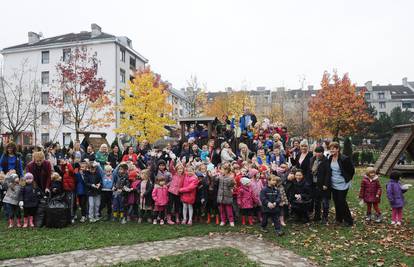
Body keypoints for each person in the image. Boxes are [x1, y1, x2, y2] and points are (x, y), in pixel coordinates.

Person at [328, 142, 355, 227]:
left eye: (334, 148)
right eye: (330, 148)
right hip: (333, 183)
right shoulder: (330, 158)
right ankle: (338, 219)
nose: (332, 150)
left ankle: (349, 220)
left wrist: (347, 178)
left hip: (343, 184)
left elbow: (351, 170)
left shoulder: (344, 158)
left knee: (342, 202)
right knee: (336, 201)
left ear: (338, 149)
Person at [310, 146, 330, 224]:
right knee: (317, 201)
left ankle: (325, 217)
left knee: (325, 202)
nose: (318, 154)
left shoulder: (326, 161)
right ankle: (317, 216)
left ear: (322, 152)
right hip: (315, 184)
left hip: (323, 184)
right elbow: (310, 171)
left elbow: (328, 174)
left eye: (320, 152)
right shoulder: (312, 159)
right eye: (316, 152)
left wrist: (326, 184)